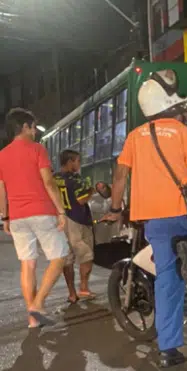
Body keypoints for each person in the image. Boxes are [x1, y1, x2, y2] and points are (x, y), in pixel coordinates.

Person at [101, 70, 187, 368]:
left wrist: (114, 205)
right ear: (169, 105)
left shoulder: (135, 137)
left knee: (167, 279)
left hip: (155, 221)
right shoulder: (182, 132)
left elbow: (121, 174)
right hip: (186, 213)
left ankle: (169, 350)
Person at [0, 108, 69, 328]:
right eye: (33, 127)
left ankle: (32, 319)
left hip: (18, 217)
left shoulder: (2, 155)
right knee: (60, 257)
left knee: (27, 265)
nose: (35, 132)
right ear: (25, 127)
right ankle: (37, 304)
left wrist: (5, 217)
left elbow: (1, 189)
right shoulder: (37, 149)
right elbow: (48, 183)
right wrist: (61, 210)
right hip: (41, 211)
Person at [55, 149, 96, 304]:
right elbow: (81, 200)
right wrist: (91, 190)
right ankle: (84, 287)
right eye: (78, 161)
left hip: (61, 220)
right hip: (78, 221)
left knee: (68, 259)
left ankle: (72, 293)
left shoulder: (54, 178)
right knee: (87, 255)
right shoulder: (76, 179)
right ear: (70, 161)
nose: (79, 164)